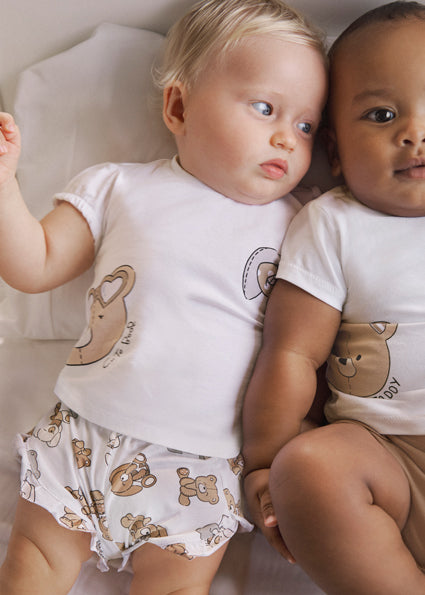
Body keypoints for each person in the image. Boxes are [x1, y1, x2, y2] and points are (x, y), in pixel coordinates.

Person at [0, 0, 327, 593]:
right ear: (178, 107)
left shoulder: (305, 225)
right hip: (84, 434)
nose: (287, 136)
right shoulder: (119, 186)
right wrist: (3, 188)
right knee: (34, 561)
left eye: (307, 126)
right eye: (265, 108)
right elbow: (35, 264)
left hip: (201, 464)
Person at [242, 2, 425, 594]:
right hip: (389, 464)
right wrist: (266, 463)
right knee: (309, 469)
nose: (415, 133)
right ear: (336, 151)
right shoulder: (335, 224)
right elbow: (293, 354)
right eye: (382, 114)